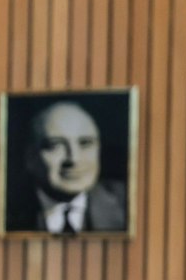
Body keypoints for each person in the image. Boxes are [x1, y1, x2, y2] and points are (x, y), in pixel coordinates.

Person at [7, 100, 128, 234]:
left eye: (85, 143)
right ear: (30, 157)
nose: (74, 159)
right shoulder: (6, 210)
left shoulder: (127, 203)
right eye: (55, 145)